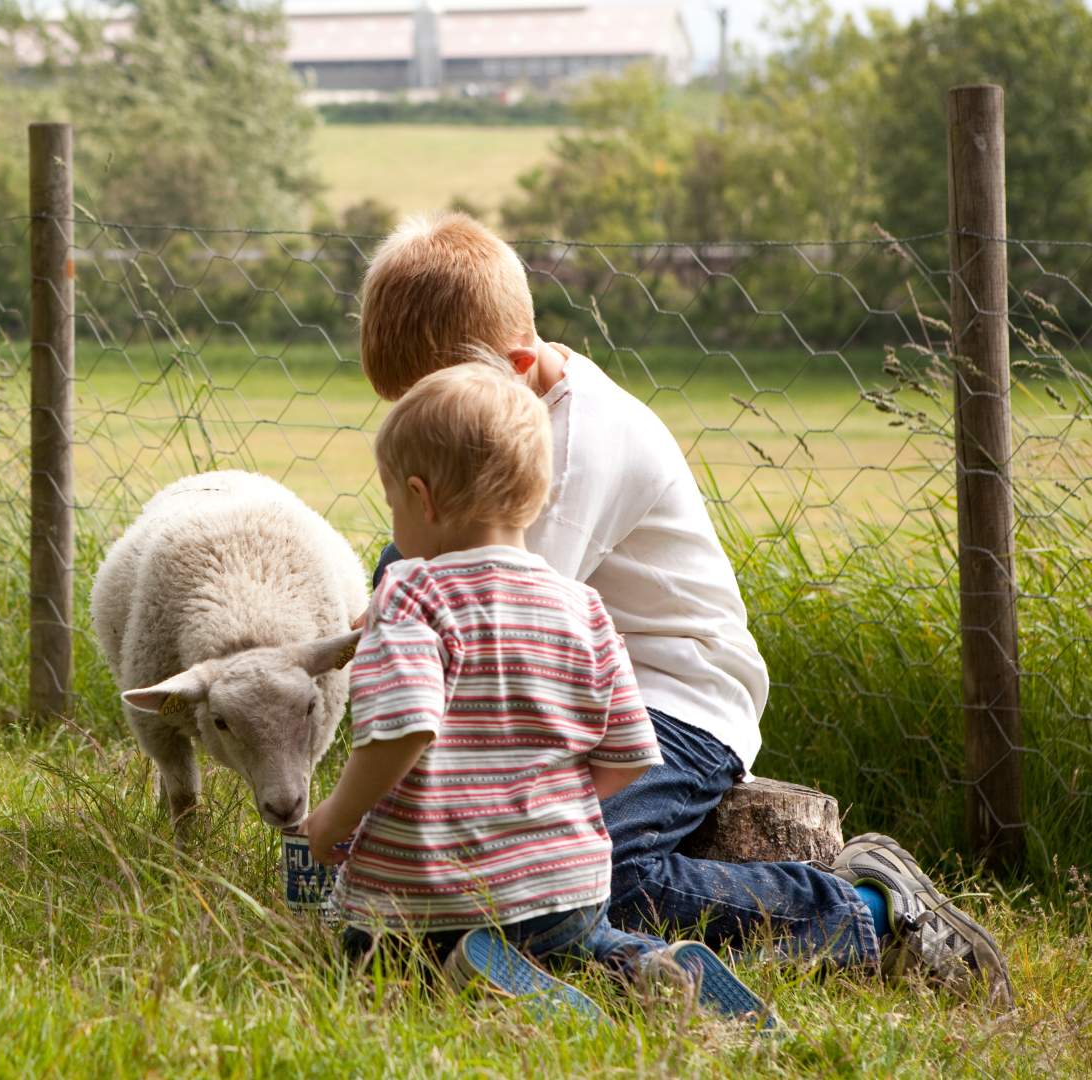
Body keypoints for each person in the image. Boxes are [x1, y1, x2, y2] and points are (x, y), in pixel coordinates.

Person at [349, 212, 1010, 1003]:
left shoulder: (577, 446)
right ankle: (586, 967)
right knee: (520, 867)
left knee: (594, 871)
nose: (431, 428)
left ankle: (868, 910)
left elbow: (482, 621)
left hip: (676, 705)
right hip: (576, 700)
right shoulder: (497, 431)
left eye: (446, 399)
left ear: (520, 364)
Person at [303, 365, 774, 1026]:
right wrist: (545, 814)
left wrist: (335, 818)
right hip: (568, 890)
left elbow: (402, 729)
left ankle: (478, 972)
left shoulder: (411, 593)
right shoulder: (583, 606)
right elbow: (631, 754)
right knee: (586, 943)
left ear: (422, 498)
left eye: (393, 503)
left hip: (430, 899)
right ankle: (651, 966)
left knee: (357, 953)